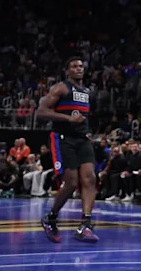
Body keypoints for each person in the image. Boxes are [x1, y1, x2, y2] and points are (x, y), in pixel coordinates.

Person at [38, 57, 99, 244]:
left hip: (82, 138)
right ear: (67, 71)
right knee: (71, 182)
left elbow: (85, 116)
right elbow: (40, 112)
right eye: (74, 66)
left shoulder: (88, 92)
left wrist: (88, 131)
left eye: (81, 66)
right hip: (63, 138)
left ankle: (85, 225)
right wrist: (67, 119)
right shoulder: (61, 88)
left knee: (90, 178)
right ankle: (51, 218)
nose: (79, 69)